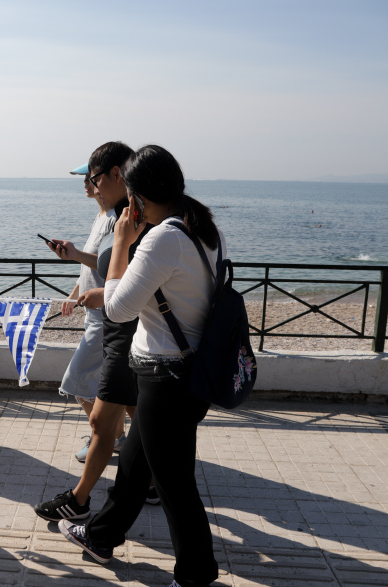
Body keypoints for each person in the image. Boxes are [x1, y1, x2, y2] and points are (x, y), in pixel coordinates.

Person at [59, 145, 224, 587]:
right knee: (134, 465)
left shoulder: (161, 237)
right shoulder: (203, 228)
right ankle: (100, 536)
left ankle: (196, 573)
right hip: (189, 371)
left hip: (166, 376)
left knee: (174, 484)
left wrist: (121, 243)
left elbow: (116, 308)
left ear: (136, 197)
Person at [34, 142, 159, 523]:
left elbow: (138, 282)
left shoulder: (138, 220)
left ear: (119, 174)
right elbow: (118, 271)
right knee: (114, 420)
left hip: (124, 328)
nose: (91, 186)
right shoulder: (124, 217)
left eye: (95, 178)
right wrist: (80, 268)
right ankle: (98, 498)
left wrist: (102, 295)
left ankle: (90, 500)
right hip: (119, 326)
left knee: (103, 417)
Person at [56, 163, 123, 463]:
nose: (86, 184)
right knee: (105, 384)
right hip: (94, 311)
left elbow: (107, 263)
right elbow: (90, 267)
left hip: (105, 313)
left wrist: (74, 254)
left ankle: (106, 436)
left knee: (77, 379)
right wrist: (73, 295)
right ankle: (117, 436)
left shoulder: (114, 219)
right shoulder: (100, 217)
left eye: (90, 178)